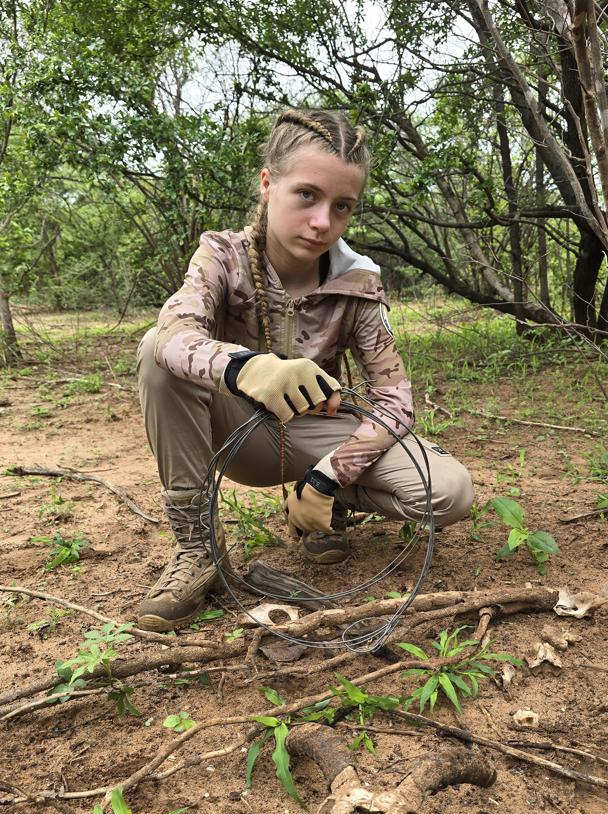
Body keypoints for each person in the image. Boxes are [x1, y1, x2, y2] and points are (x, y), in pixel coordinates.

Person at [136, 108, 473, 632]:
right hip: (233, 431)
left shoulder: (358, 283)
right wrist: (246, 366)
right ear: (269, 184)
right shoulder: (222, 257)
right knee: (156, 352)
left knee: (449, 490)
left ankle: (318, 503)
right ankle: (199, 550)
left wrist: (326, 476)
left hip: (315, 433)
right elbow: (175, 334)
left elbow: (395, 401)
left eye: (342, 207)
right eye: (307, 196)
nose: (323, 223)